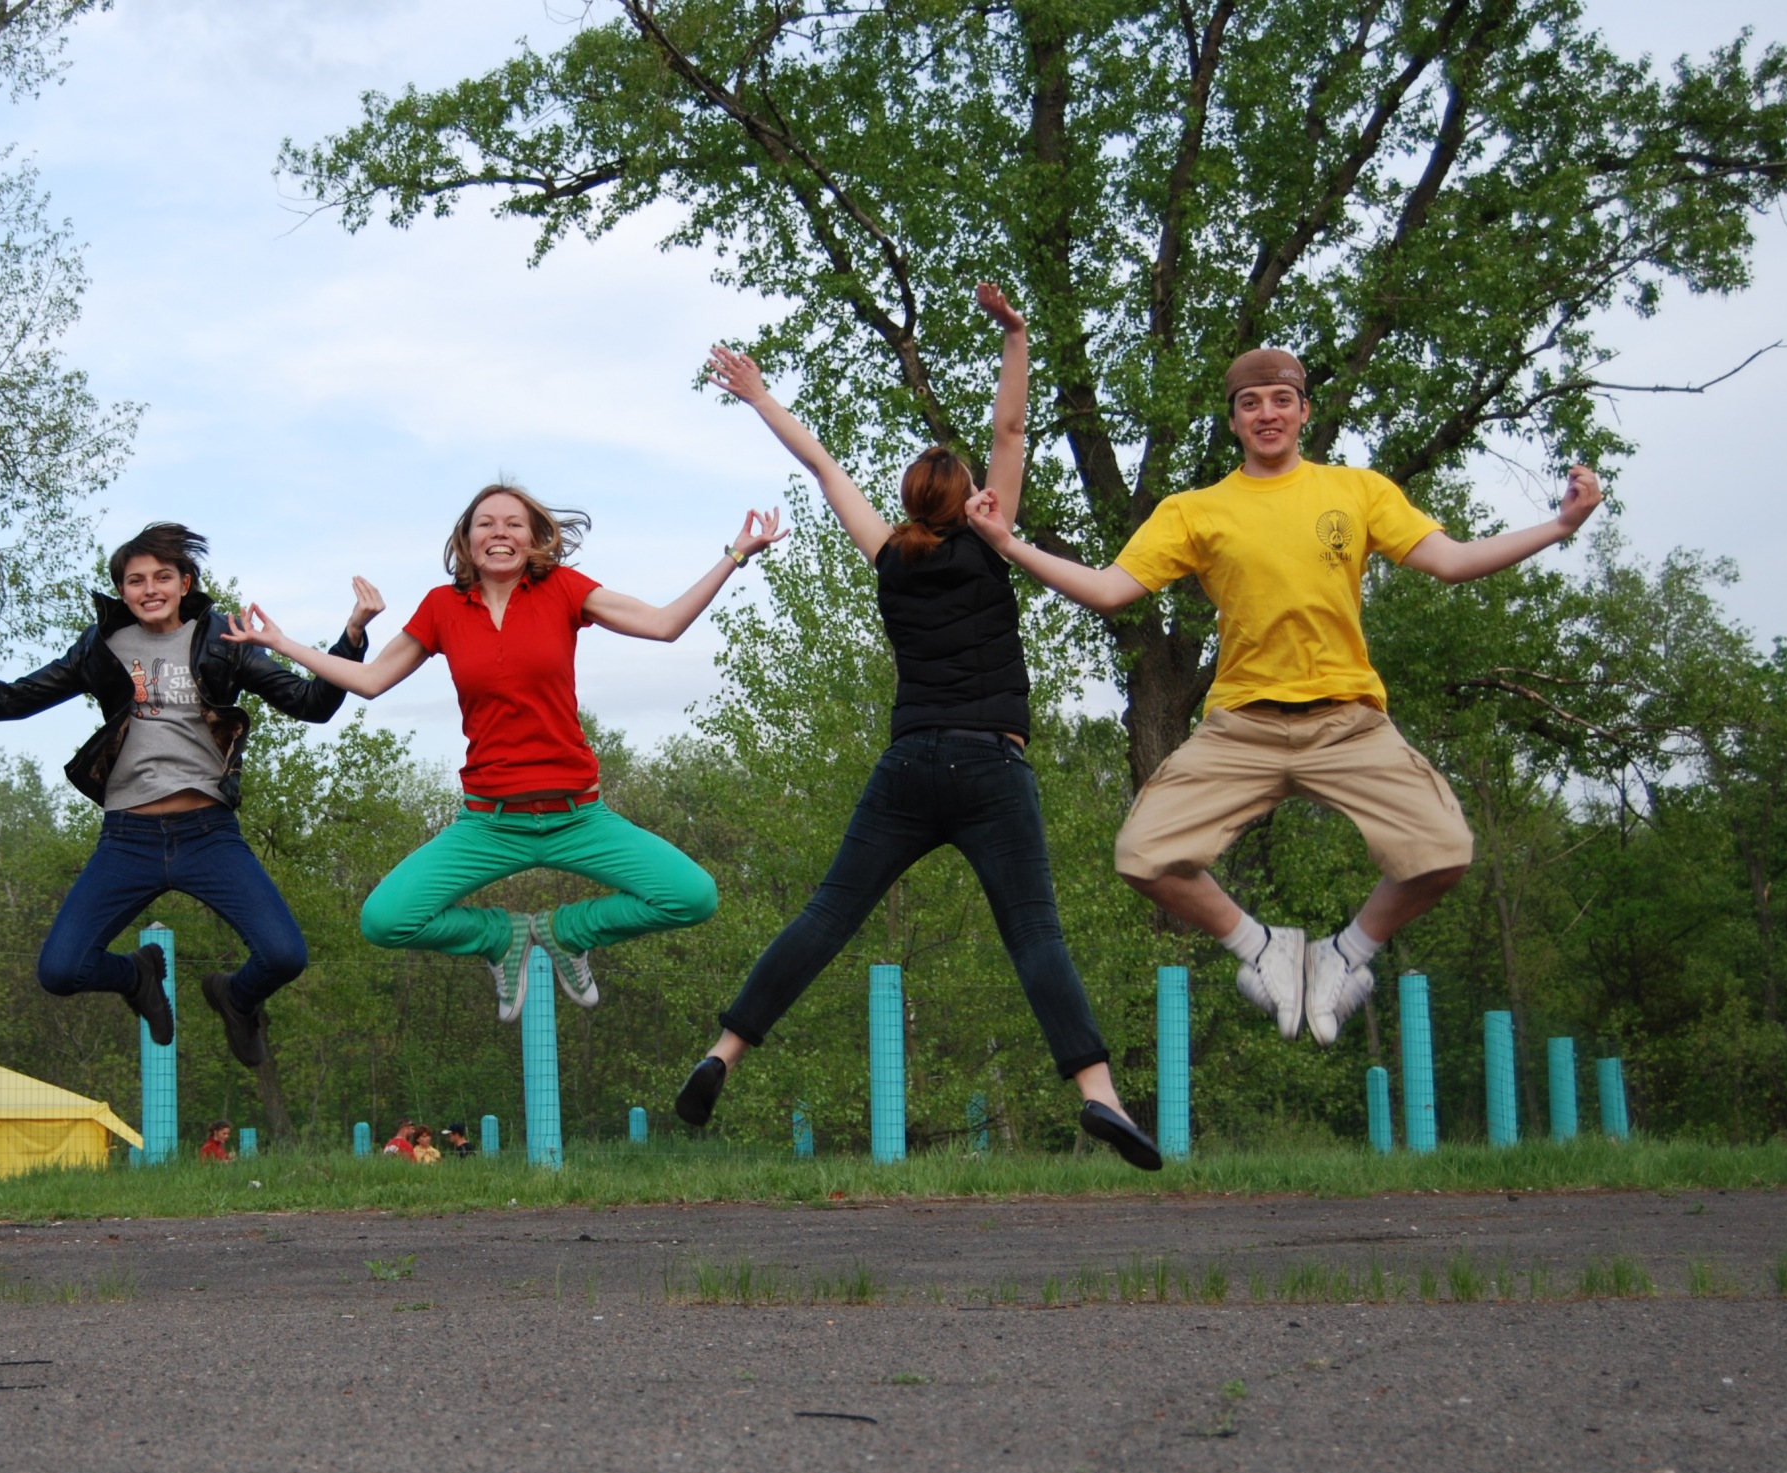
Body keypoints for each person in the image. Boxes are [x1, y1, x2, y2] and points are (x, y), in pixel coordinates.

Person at [964, 347, 1603, 1044]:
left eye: (1279, 400)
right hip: (1243, 726)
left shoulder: (1357, 492)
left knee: (1445, 849)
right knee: (1143, 854)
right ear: (1234, 421)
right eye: (1250, 404)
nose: (1266, 414)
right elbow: (1111, 589)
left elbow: (1451, 562)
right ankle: (1265, 949)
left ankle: (1343, 956)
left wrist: (1560, 527)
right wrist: (1008, 544)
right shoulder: (1195, 511)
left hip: (1347, 723)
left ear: (1303, 411)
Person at [672, 285, 1161, 1172]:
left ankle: (724, 1052)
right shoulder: (991, 542)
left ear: (906, 502)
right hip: (991, 764)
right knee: (1035, 934)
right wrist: (1016, 335)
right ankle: (1100, 1096)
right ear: (973, 499)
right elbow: (1010, 430)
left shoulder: (889, 555)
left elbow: (823, 468)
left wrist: (760, 396)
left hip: (908, 765)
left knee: (827, 914)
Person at [224, 487, 780, 1019]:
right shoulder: (442, 607)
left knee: (692, 896)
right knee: (385, 920)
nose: (500, 533)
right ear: (466, 541)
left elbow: (664, 624)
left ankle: (566, 932)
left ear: (533, 539)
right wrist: (281, 643)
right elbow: (370, 681)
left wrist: (735, 556)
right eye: (486, 523)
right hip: (489, 823)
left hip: (578, 817)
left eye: (514, 524)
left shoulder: (563, 589)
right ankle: (501, 937)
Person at [0, 523, 379, 1065]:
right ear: (122, 591)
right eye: (135, 580)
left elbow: (312, 703)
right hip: (128, 837)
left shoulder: (223, 640)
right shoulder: (100, 648)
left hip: (208, 834)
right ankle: (137, 975)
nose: (150, 589)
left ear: (184, 583)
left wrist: (353, 634)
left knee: (285, 955)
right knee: (60, 970)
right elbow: (5, 700)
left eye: (162, 577)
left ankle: (236, 999)